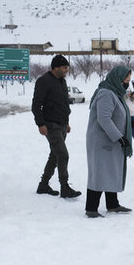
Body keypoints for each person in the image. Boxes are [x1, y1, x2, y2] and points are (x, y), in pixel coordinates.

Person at [84, 66, 134, 218]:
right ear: (117, 79)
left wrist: (128, 125)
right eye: (126, 81)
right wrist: (120, 137)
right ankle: (91, 208)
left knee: (112, 171)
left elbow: (119, 114)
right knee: (100, 173)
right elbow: (104, 119)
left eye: (128, 81)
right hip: (102, 141)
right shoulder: (106, 93)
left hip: (112, 140)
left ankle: (113, 204)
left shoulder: (115, 93)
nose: (127, 84)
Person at [32, 54, 81, 198]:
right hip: (50, 125)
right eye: (64, 67)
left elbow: (63, 104)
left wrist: (67, 122)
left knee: (54, 156)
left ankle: (43, 185)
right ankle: (64, 187)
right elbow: (36, 105)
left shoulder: (62, 82)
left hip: (62, 124)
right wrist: (40, 124)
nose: (67, 70)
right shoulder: (44, 81)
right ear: (56, 67)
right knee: (63, 155)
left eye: (67, 67)